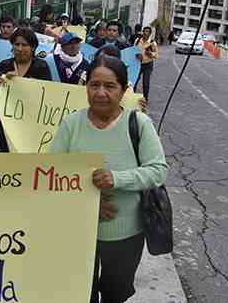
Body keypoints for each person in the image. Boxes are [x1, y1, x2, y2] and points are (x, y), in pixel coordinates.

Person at [50, 54, 167, 303]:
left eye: (110, 86)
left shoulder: (139, 123)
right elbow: (51, 173)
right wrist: (87, 203)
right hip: (78, 231)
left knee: (116, 292)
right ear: (86, 87)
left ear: (124, 90)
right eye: (94, 85)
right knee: (81, 294)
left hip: (126, 235)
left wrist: (116, 178)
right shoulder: (72, 124)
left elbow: (157, 171)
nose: (100, 93)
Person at [0, 28, 52, 152]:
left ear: (33, 47)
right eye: (16, 44)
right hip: (6, 122)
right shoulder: (4, 66)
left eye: (24, 45)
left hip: (31, 123)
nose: (19, 49)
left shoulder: (41, 67)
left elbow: (48, 97)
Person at [135, 26, 158, 101]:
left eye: (147, 31)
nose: (145, 33)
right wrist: (136, 54)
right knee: (134, 80)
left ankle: (145, 99)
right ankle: (132, 96)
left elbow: (156, 55)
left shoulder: (152, 43)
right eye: (144, 31)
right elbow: (133, 50)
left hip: (148, 64)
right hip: (138, 63)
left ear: (150, 33)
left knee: (146, 82)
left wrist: (151, 54)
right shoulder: (138, 40)